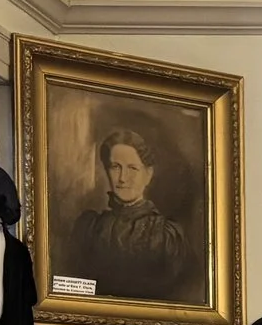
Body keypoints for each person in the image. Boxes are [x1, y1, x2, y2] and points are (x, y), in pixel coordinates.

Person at [65, 127, 191, 302]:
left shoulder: (166, 235)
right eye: (115, 167)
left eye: (132, 168)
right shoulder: (89, 228)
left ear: (148, 175)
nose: (123, 178)